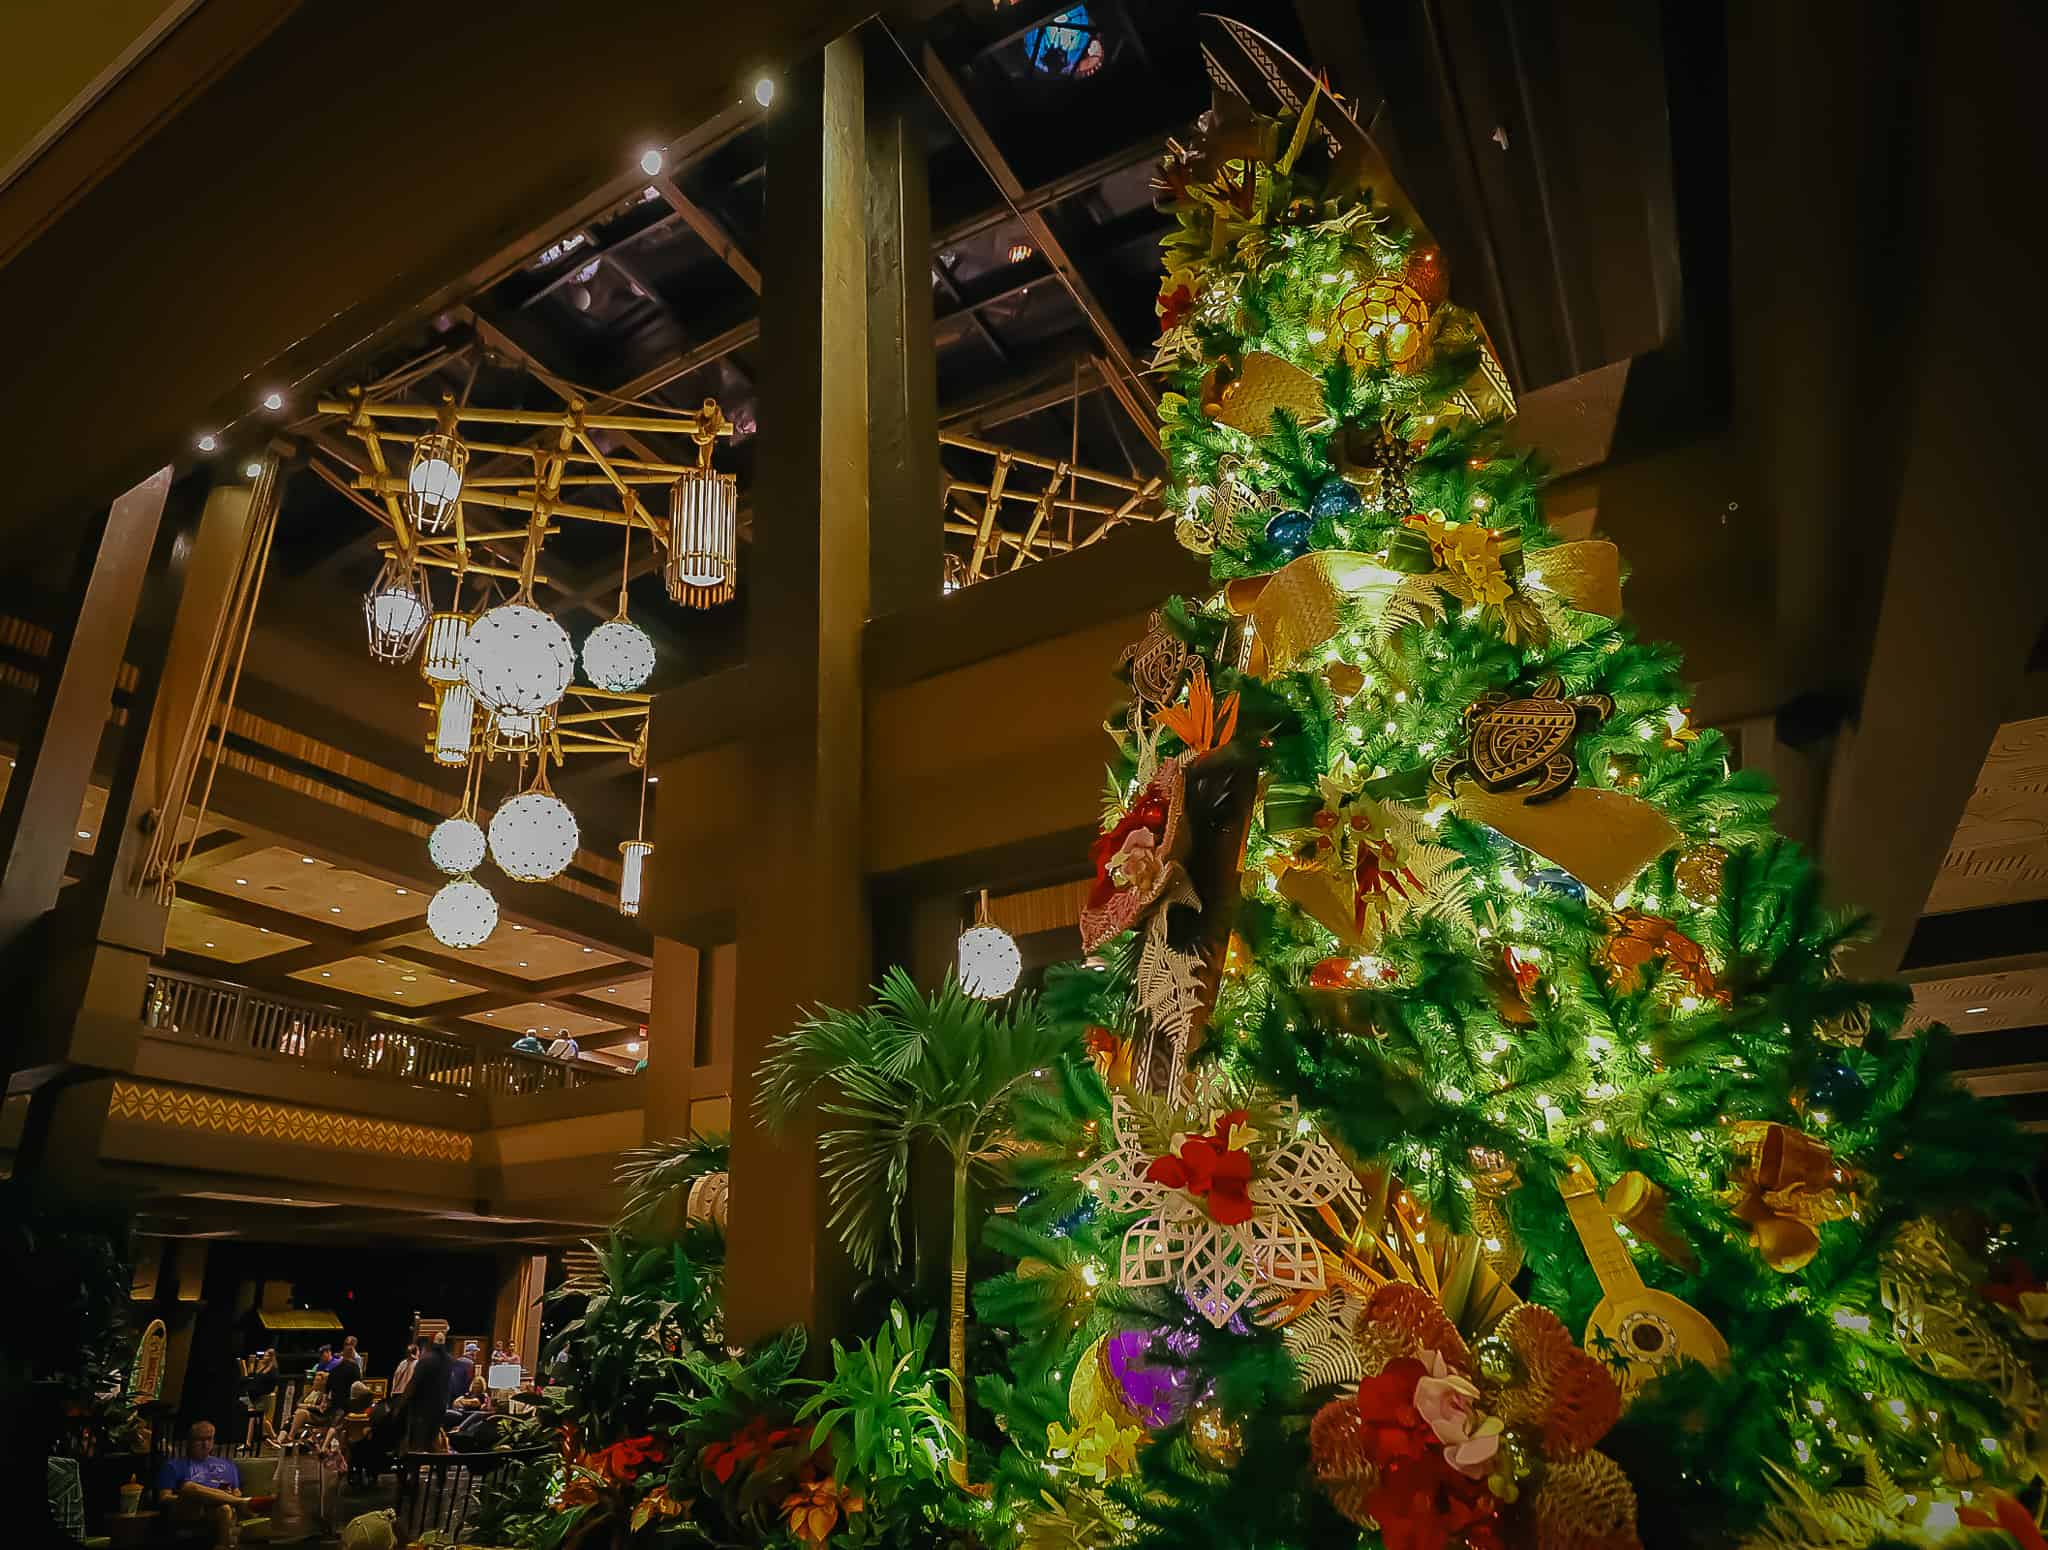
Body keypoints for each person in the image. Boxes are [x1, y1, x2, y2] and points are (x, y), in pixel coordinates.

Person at [156, 1421, 252, 1548]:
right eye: (199, 1440)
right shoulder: (173, 1465)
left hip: (218, 1510)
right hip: (191, 1509)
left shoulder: (228, 1465)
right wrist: (196, 1497)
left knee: (225, 1509)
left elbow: (236, 1491)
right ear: (189, 1442)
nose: (205, 1444)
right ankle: (242, 1502)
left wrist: (227, 1496)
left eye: (209, 1439)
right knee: (189, 1487)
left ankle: (222, 1546)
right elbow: (164, 1497)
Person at [397, 1335, 452, 1454]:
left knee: (418, 1444)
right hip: (441, 1406)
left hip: (422, 1408)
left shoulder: (426, 1360)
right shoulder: (449, 1360)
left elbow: (413, 1384)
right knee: (433, 1439)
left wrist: (400, 1404)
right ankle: (437, 1469)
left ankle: (416, 1469)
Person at [448, 1341, 478, 1406]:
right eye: (476, 1352)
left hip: (452, 1390)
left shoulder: (457, 1360)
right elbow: (469, 1379)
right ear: (472, 1352)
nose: (476, 1354)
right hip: (462, 1393)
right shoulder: (471, 1364)